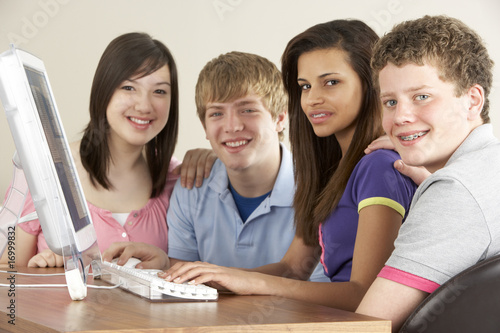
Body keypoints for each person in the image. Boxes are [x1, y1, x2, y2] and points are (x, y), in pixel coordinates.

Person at [129, 19, 417, 311]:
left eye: (331, 82)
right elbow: (293, 269)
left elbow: (366, 297)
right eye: (305, 86)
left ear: (370, 85)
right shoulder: (332, 171)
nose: (313, 99)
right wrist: (215, 277)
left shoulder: (378, 166)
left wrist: (250, 283)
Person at [104, 51, 327, 281]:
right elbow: (185, 286)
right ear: (205, 127)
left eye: (248, 110)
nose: (232, 126)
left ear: (280, 118)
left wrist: (223, 278)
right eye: (217, 113)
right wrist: (164, 266)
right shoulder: (191, 189)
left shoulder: (321, 191)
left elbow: (319, 300)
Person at [2, 32, 213, 268]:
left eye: (160, 91)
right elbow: (6, 275)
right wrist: (43, 270)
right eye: (129, 87)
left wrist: (218, 158)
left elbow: (192, 276)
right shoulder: (45, 168)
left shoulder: (178, 179)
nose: (144, 105)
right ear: (104, 91)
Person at [355, 15, 499, 331]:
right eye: (390, 102)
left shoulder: (455, 191)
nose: (400, 117)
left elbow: (368, 326)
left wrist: (443, 192)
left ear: (472, 101)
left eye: (422, 97)